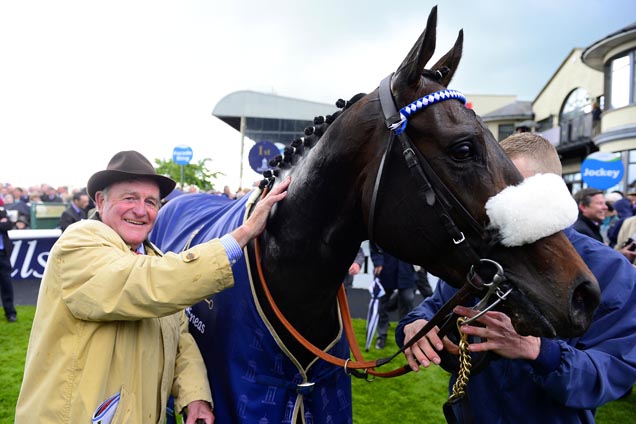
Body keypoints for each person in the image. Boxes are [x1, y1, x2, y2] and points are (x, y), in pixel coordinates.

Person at [15, 150, 290, 424]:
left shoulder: (151, 257)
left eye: (151, 202)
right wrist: (242, 234)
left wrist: (194, 397)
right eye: (130, 198)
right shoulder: (79, 244)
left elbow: (180, 338)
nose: (141, 210)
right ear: (101, 201)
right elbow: (147, 283)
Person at [396, 133, 636, 423]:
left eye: (510, 189)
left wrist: (539, 351)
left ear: (552, 191)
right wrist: (416, 325)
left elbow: (612, 372)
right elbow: (438, 305)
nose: (495, 205)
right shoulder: (483, 252)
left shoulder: (608, 269)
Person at [370, 250, 417, 349]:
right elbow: (375, 242)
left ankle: (405, 335)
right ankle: (381, 336)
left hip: (407, 268)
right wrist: (378, 261)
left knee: (407, 299)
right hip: (386, 267)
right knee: (382, 302)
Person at [0, 200, 17, 322]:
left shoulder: (2, 210)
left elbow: (9, 225)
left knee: (6, 285)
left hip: (2, 254)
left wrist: (4, 224)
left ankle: (10, 313)